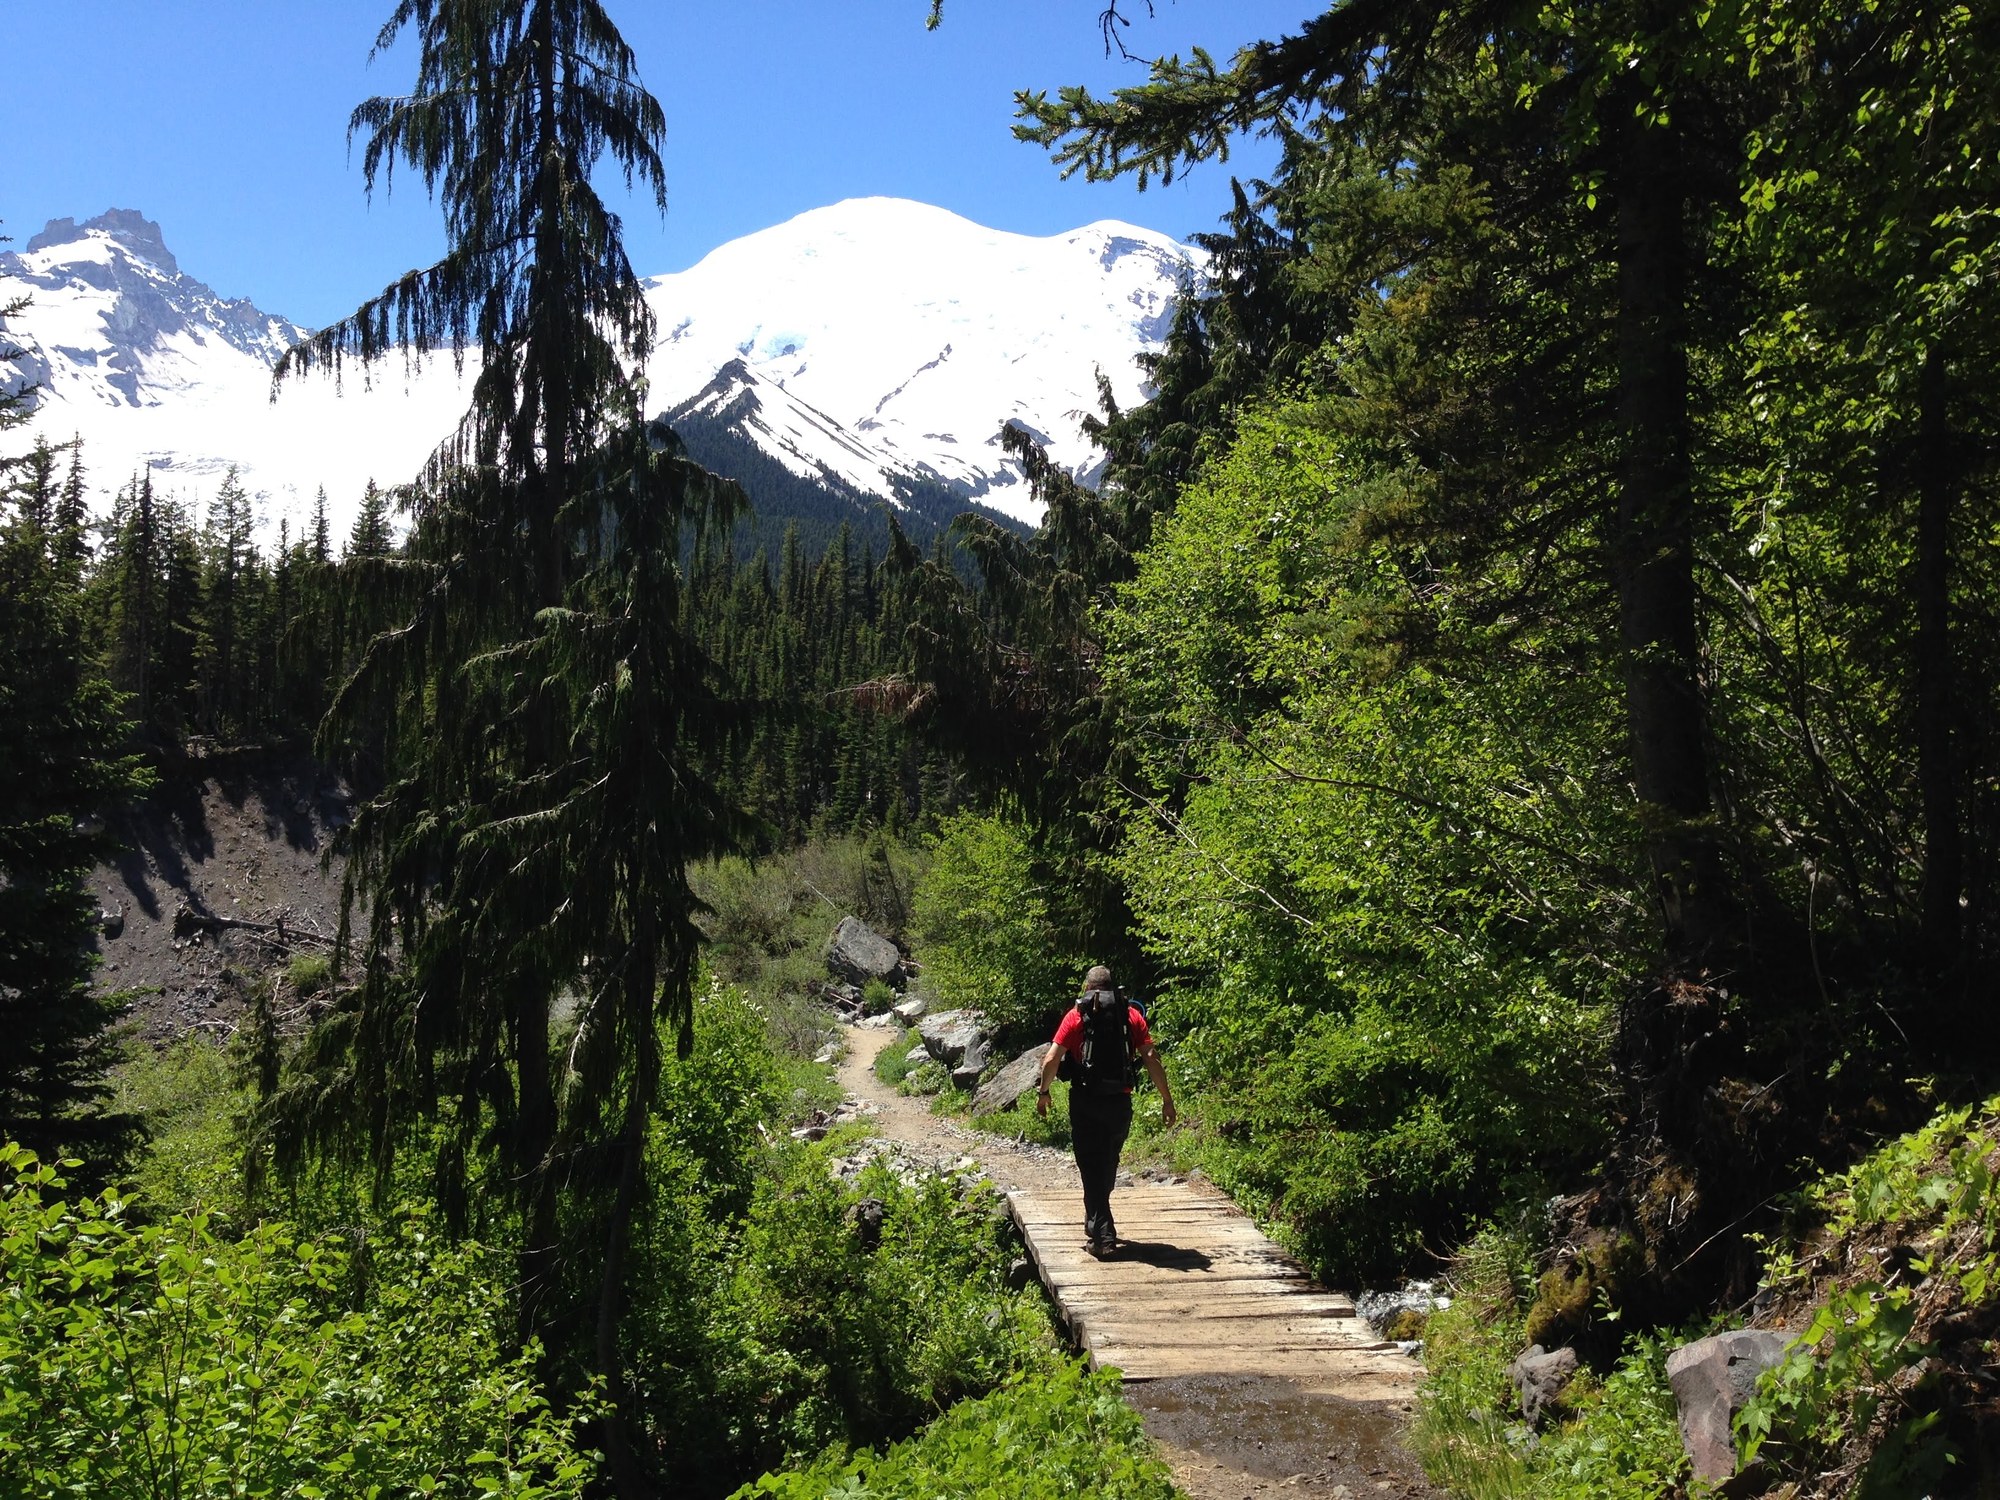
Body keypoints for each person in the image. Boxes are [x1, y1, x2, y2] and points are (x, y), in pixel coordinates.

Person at [1035, 964, 1177, 1256]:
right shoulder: (1131, 1016)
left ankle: (1103, 1239)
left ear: (1087, 988)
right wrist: (1167, 1099)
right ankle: (1095, 1222)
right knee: (1108, 1162)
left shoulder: (1077, 1016)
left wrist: (1044, 1092)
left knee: (1090, 1165)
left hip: (1086, 1101)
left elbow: (1051, 1059)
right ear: (1112, 987)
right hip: (1119, 1101)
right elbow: (1151, 1056)